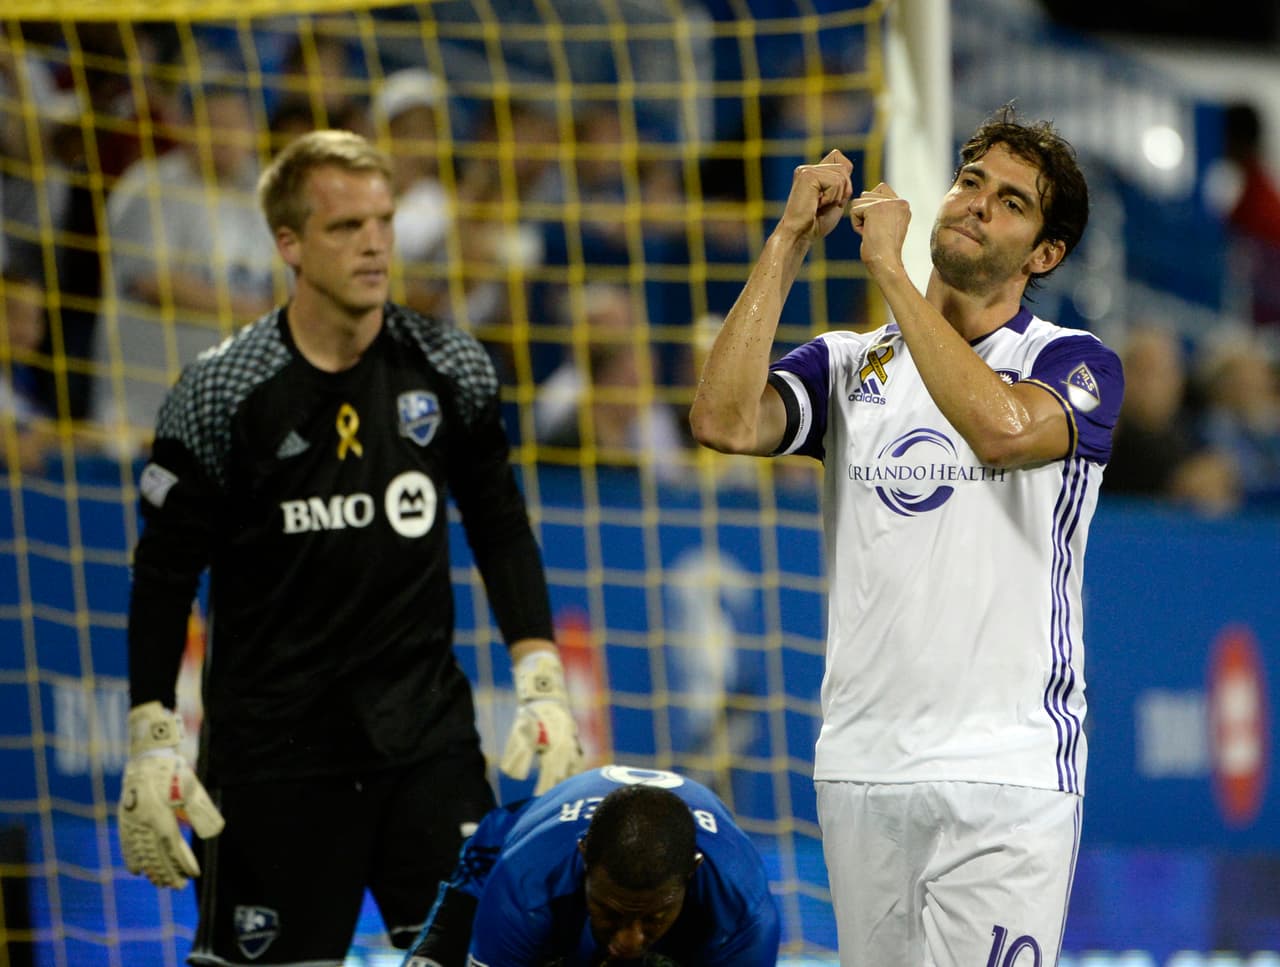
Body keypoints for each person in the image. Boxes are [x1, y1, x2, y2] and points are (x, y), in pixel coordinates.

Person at [115, 129, 584, 966]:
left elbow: (500, 523)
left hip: (427, 749)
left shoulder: (451, 367)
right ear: (288, 244)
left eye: (384, 221)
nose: (373, 243)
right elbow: (163, 573)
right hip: (275, 761)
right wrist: (152, 729)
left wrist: (540, 673)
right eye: (344, 227)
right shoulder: (222, 392)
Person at [689, 105, 1124, 965]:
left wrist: (888, 266)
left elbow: (999, 429)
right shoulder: (849, 365)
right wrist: (787, 242)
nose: (974, 204)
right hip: (863, 764)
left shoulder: (1073, 362)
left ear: (1045, 255)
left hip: (1008, 772)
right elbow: (723, 420)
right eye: (969, 182)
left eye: (1010, 201)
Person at [402, 764, 780, 967]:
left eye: (652, 917)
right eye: (610, 912)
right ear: (583, 857)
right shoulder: (524, 885)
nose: (628, 940)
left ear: (693, 873)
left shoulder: (742, 913)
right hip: (504, 873)